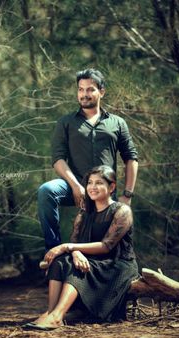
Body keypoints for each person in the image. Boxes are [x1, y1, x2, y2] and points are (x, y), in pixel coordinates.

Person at [24, 165, 139, 330]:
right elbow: (75, 241)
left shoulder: (122, 211)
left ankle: (57, 316)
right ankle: (51, 312)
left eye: (99, 183)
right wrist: (75, 252)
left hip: (117, 264)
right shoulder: (84, 213)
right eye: (90, 183)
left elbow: (106, 246)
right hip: (93, 259)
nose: (92, 187)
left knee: (79, 268)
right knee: (60, 261)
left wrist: (68, 247)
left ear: (112, 187)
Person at [38, 68, 138, 252]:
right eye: (80, 89)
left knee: (107, 246)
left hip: (105, 190)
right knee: (46, 191)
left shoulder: (117, 123)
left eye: (90, 89)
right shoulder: (66, 122)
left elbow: (131, 158)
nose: (84, 94)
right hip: (73, 185)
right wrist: (76, 186)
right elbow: (58, 159)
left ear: (102, 91)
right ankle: (53, 250)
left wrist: (128, 195)